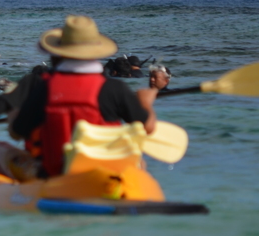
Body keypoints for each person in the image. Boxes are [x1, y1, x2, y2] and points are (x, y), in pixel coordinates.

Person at [9, 15, 158, 178]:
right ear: (95, 50)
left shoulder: (44, 88)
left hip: (58, 174)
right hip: (107, 174)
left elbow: (17, 131)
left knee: (1, 150)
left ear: (57, 52)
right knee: (141, 163)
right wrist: (145, 102)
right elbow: (147, 127)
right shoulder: (114, 88)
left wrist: (14, 112)